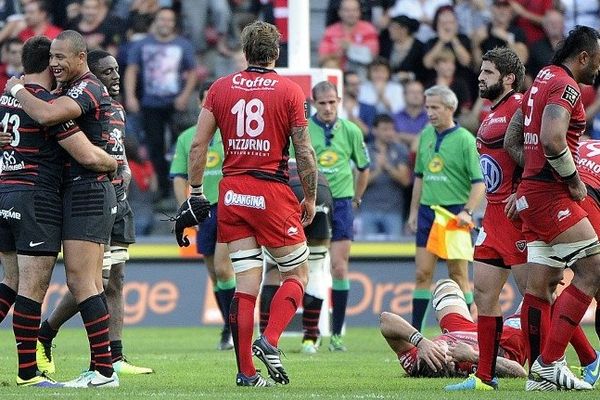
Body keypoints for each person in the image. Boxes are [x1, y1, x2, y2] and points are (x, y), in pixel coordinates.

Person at [174, 21, 317, 387]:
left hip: (233, 194)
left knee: (245, 286)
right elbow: (303, 149)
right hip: (270, 191)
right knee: (298, 274)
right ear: (275, 53)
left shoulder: (220, 88)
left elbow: (197, 145)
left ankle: (246, 374)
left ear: (245, 51)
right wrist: (311, 197)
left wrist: (194, 193)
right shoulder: (288, 90)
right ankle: (269, 341)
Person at [0, 35, 117, 388]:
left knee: (15, 282)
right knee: (52, 286)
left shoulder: (8, 100)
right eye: (52, 59)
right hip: (39, 198)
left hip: (10, 194)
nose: (56, 65)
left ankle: (101, 370)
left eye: (60, 57)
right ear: (45, 66)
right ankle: (33, 374)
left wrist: (14, 89)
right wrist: (112, 162)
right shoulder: (49, 103)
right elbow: (87, 155)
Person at [35, 49, 154, 377]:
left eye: (117, 71)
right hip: (90, 195)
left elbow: (115, 146)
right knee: (95, 280)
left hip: (117, 195)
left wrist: (126, 167)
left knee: (115, 279)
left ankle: (115, 356)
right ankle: (47, 332)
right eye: (108, 72)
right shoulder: (77, 103)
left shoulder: (116, 109)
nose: (115, 77)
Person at [503, 25, 600, 391]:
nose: (598, 72)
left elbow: (516, 138)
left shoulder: (542, 78)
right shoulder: (566, 86)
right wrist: (572, 180)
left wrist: (530, 177)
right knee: (593, 269)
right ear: (584, 57)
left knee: (539, 288)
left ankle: (539, 378)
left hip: (532, 193)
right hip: (552, 196)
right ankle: (549, 363)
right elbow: (552, 137)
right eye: (598, 62)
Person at [443, 47, 528, 391]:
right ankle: (484, 377)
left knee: (536, 297)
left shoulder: (521, 107)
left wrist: (522, 192)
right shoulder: (490, 113)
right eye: (481, 72)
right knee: (483, 295)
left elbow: (539, 153)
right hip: (492, 217)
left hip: (518, 218)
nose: (480, 77)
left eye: (488, 73)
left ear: (508, 78)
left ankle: (581, 360)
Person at [407, 85, 485, 332]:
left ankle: (471, 330)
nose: (429, 112)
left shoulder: (465, 140)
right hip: (428, 212)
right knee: (422, 274)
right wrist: (413, 212)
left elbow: (479, 183)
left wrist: (468, 211)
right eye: (427, 107)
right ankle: (415, 333)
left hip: (454, 214)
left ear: (450, 108)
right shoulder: (426, 135)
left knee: (459, 275)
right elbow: (419, 177)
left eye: (434, 107)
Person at [170, 80, 236, 351]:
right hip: (202, 207)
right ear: (200, 104)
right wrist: (186, 209)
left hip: (229, 205)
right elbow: (178, 176)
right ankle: (228, 326)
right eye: (208, 100)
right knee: (214, 273)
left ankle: (233, 329)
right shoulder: (188, 138)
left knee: (223, 268)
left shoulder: (233, 133)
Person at [308, 80, 370, 352]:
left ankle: (336, 336)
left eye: (332, 102)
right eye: (323, 103)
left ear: (339, 101)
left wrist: (356, 197)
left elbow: (363, 167)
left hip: (343, 202)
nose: (328, 108)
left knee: (339, 267)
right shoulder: (303, 130)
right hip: (314, 202)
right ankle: (310, 334)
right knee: (310, 268)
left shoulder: (352, 131)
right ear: (314, 104)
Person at [380, 279, 527, 379]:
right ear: (448, 362)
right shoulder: (466, 364)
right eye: (441, 349)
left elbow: (386, 320)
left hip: (458, 329)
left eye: (437, 347)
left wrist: (421, 342)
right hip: (502, 342)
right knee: (535, 295)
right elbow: (520, 373)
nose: (438, 345)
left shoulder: (415, 361)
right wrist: (473, 356)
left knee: (444, 285)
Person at [259, 160, 334, 354]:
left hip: (284, 193)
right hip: (320, 192)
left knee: (274, 269)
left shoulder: (269, 165)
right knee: (315, 270)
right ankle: (310, 338)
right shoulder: (308, 162)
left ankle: (265, 336)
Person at [124, 7, 197, 200]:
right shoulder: (142, 45)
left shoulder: (183, 45)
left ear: (174, 23)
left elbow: (192, 73)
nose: (165, 23)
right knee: (155, 147)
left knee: (180, 145)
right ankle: (164, 189)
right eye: (162, 19)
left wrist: (184, 96)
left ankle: (182, 185)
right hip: (150, 104)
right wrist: (130, 96)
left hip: (176, 104)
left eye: (169, 20)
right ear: (155, 21)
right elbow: (131, 70)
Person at [360, 114, 411, 240]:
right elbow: (359, 183)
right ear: (374, 130)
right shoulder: (365, 150)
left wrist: (387, 166)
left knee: (396, 255)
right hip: (368, 210)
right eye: (385, 129)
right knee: (367, 253)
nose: (389, 133)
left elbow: (405, 181)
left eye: (391, 129)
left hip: (394, 211)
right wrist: (378, 170)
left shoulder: (400, 150)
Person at [318, 0, 379, 71]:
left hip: (361, 74)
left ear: (360, 12)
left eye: (354, 10)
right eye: (347, 10)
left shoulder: (369, 29)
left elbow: (372, 56)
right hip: (337, 72)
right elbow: (322, 58)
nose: (351, 13)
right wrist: (338, 53)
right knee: (330, 64)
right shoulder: (330, 31)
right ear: (339, 12)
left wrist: (350, 48)